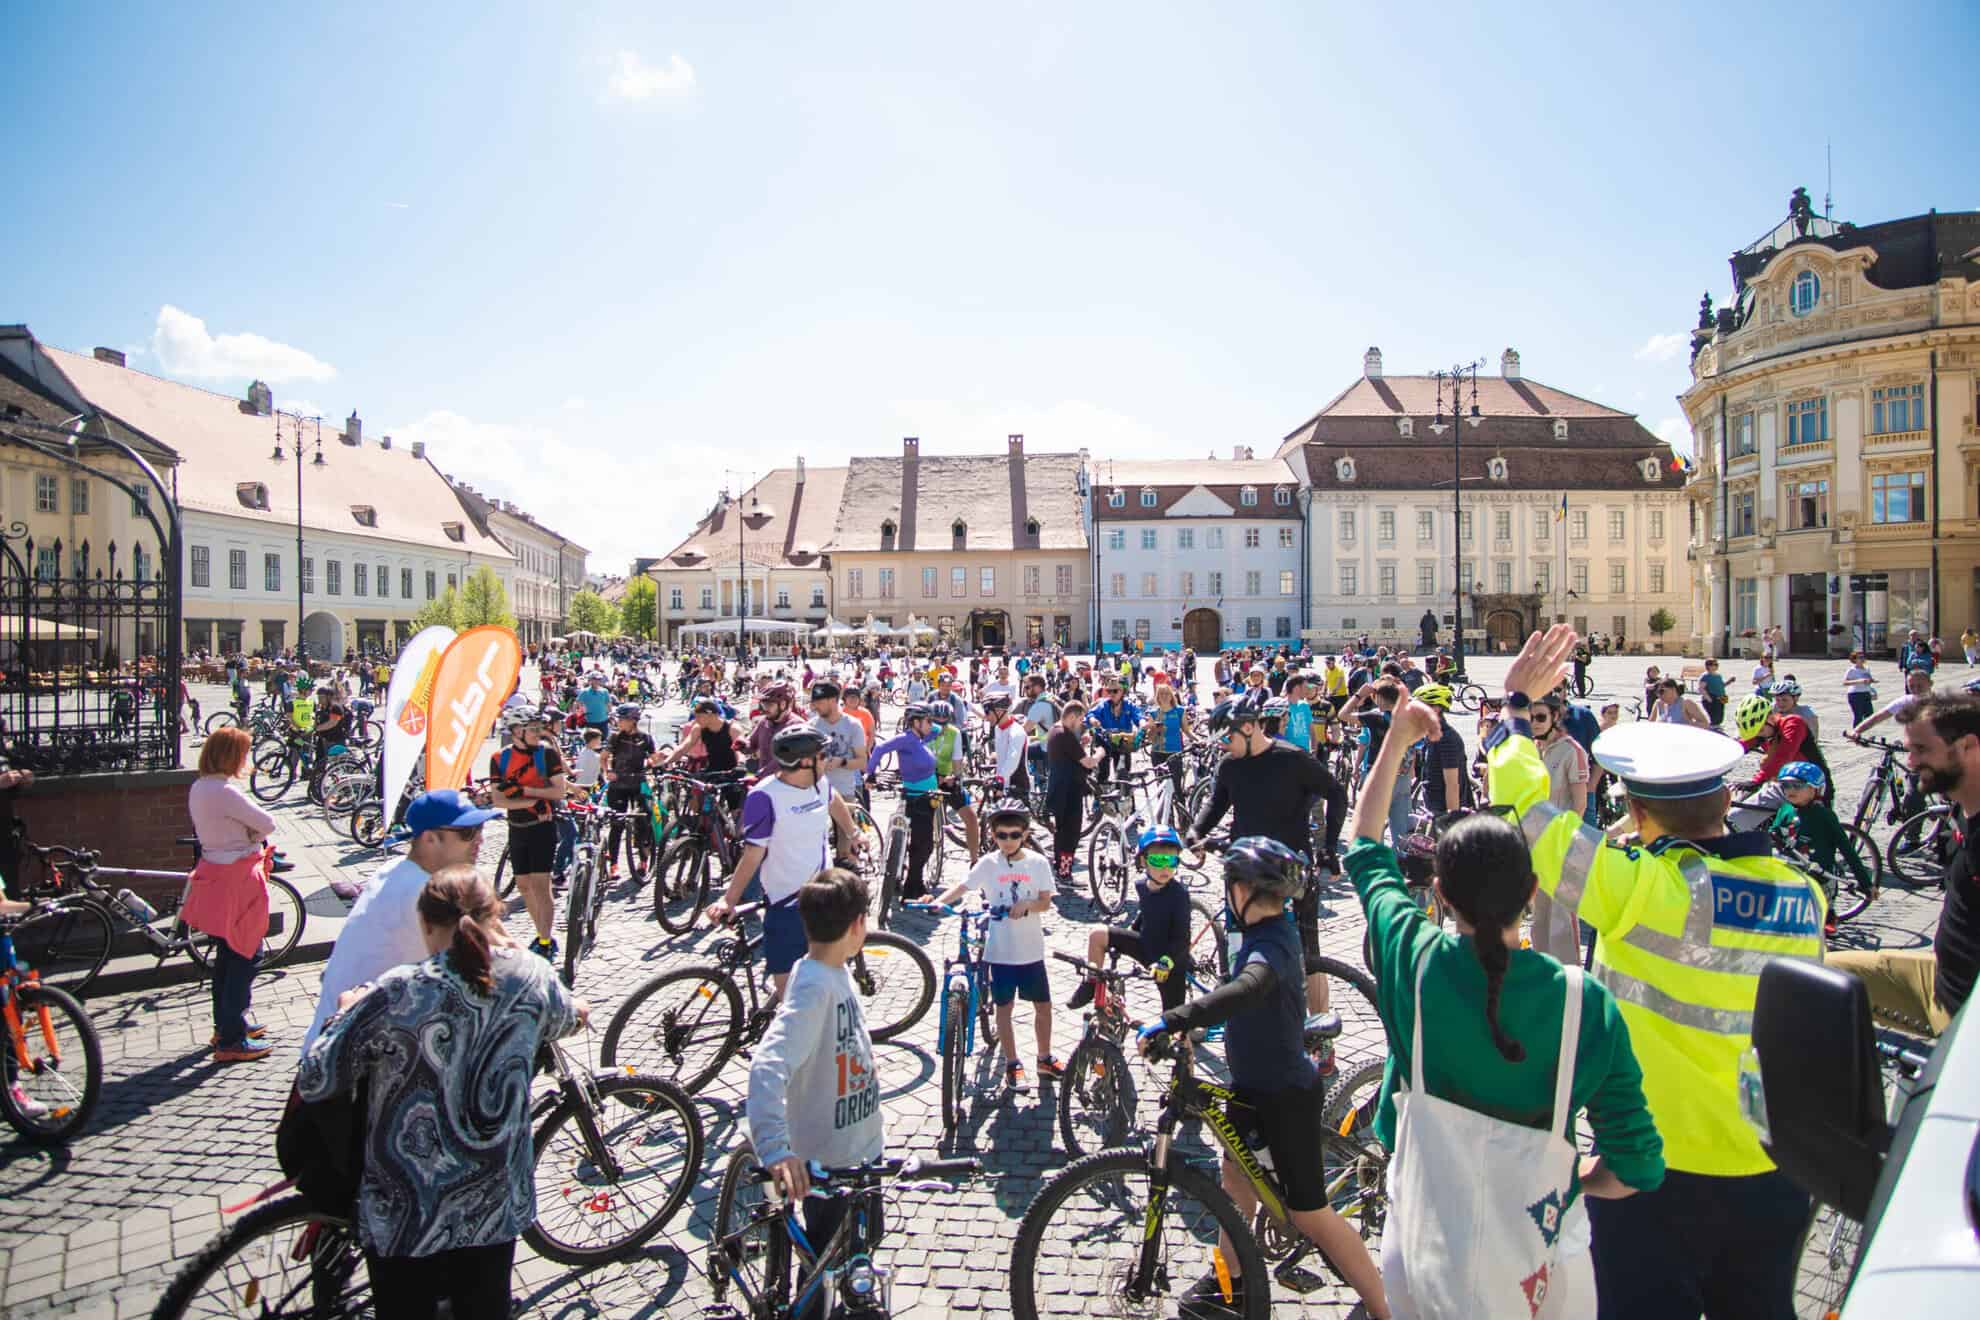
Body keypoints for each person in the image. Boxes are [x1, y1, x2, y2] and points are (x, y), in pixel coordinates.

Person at [1488, 625, 1825, 1320]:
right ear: (1726, 802)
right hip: (1776, 1165)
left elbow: (1529, 810)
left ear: (1636, 814)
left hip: (1654, 1168)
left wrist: (1515, 710)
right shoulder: (1803, 893)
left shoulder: (1640, 891)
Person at [1346, 684, 1662, 1317]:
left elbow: (1365, 846)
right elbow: (1636, 1166)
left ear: (1438, 891)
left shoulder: (1416, 959)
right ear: (1534, 890)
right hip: (1535, 1266)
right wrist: (1568, 1188)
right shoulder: (1583, 1002)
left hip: (1429, 1244)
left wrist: (1399, 736)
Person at [299, 866, 585, 1320]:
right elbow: (567, 1017)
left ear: (426, 923)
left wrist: (344, 1013)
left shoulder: (397, 992)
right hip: (492, 1198)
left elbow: (317, 1076)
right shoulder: (531, 974)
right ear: (495, 916)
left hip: (407, 1203)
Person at [1134, 838, 1391, 1317]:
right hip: (1250, 1082)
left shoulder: (1271, 942)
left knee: (1309, 1213)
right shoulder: (1258, 932)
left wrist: (1175, 1019)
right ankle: (1230, 1283)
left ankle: (1384, 1307)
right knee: (1236, 1179)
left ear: (1242, 891)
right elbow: (1234, 996)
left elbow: (1249, 986)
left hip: (1286, 1094)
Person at [745, 867, 884, 1320]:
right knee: (821, 1279)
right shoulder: (812, 991)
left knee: (859, 1251)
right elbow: (767, 1064)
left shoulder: (831, 970)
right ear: (858, 924)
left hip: (863, 1157)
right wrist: (774, 1148)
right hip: (827, 1167)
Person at [1187, 695, 1348, 1031]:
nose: (1224, 748)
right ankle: (1241, 1022)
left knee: (1309, 956)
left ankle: (1321, 1036)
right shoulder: (1230, 765)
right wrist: (1195, 832)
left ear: (1248, 728)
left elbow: (1336, 792)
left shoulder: (1293, 760)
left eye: (1227, 739)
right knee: (1241, 947)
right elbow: (1216, 804)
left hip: (1291, 872)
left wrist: (1329, 848)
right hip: (1245, 872)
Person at [1829, 690, 1980, 1036]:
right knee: (1804, 974)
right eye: (1909, 750)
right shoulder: (1958, 805)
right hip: (1940, 974)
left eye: (1922, 750)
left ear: (1969, 747)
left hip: (1962, 1012)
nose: (1910, 763)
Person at [302, 788, 501, 1052]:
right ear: (430, 839)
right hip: (353, 1061)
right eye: (468, 832)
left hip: (346, 1040)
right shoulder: (424, 893)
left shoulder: (395, 868)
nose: (480, 840)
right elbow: (492, 956)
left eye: (481, 828)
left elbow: (493, 933)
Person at [707, 726, 864, 998]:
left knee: (828, 974)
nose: (827, 759)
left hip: (822, 895)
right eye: (822, 754)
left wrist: (852, 833)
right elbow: (753, 854)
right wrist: (729, 900)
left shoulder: (818, 781)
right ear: (804, 762)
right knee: (789, 997)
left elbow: (833, 800)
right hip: (787, 903)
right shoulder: (765, 796)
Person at [921, 798, 1061, 1091]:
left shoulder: (1037, 863)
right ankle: (1012, 1063)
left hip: (1031, 951)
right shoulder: (989, 863)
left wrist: (1028, 904)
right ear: (992, 835)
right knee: (1004, 1009)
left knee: (1043, 1007)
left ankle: (1044, 1057)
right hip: (1000, 952)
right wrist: (937, 901)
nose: (1007, 842)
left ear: (1025, 835)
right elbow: (963, 886)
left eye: (1014, 835)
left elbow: (1046, 903)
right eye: (1001, 836)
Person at [181, 727, 279, 1062]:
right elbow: (267, 822)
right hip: (238, 876)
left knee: (226, 953)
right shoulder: (225, 792)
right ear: (231, 756)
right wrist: (251, 830)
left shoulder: (199, 787)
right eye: (243, 752)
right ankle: (232, 1038)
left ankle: (225, 1025)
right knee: (245, 955)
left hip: (215, 871)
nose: (246, 759)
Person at [1067, 825, 1191, 1014]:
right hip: (1145, 944)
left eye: (1171, 861)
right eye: (1158, 861)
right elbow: (1147, 913)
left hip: (1169, 959)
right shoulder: (1142, 885)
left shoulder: (1179, 895)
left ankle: (1185, 1038)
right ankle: (1092, 983)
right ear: (1143, 861)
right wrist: (1132, 930)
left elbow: (1182, 939)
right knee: (1097, 935)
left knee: (1175, 1026)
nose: (1165, 868)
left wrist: (1166, 961)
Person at [487, 708, 569, 962]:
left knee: (540, 885)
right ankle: (540, 932)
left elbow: (559, 791)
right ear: (516, 731)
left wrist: (522, 790)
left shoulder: (547, 754)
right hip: (517, 828)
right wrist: (531, 802)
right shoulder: (499, 758)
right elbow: (499, 799)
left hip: (543, 828)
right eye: (532, 729)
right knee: (523, 885)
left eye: (538, 728)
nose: (538, 733)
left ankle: (545, 940)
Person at [1765, 762, 1873, 938]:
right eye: (1785, 785)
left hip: (1820, 872)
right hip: (1792, 869)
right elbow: (1774, 831)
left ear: (1814, 789)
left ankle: (1827, 921)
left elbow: (1847, 849)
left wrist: (1865, 883)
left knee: (1822, 904)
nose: (1790, 790)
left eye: (1797, 786)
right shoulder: (1785, 809)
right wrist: (1773, 836)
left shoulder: (1824, 816)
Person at [1529, 695, 1590, 964]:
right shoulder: (1530, 749)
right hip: (1533, 843)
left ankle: (1569, 977)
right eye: (1530, 718)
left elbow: (1580, 805)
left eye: (1540, 717)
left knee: (1562, 917)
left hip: (1560, 845)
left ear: (1555, 717)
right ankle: (1543, 971)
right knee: (1538, 913)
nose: (1535, 723)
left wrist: (1565, 841)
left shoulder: (1571, 751)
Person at [602, 704, 660, 879]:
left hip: (638, 782)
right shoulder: (615, 738)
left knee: (644, 820)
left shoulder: (646, 738)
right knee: (616, 824)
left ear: (632, 721)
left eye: (621, 719)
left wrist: (654, 761)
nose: (618, 722)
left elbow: (653, 758)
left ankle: (644, 859)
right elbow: (604, 757)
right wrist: (607, 772)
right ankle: (613, 864)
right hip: (618, 784)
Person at [1044, 700, 1101, 880]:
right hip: (1069, 792)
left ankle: (1059, 868)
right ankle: (1065, 873)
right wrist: (1100, 753)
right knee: (1070, 836)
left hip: (1059, 789)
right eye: (1080, 719)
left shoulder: (1055, 729)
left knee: (1061, 834)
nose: (1081, 723)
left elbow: (1071, 754)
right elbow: (1088, 762)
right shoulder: (1065, 735)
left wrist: (1081, 744)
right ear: (1071, 716)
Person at [1412, 683, 1473, 815]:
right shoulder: (1430, 734)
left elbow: (1452, 784)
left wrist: (1451, 819)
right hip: (1433, 809)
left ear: (1435, 709)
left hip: (1443, 812)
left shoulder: (1447, 739)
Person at [1847, 665, 1932, 740]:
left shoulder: (1940, 703)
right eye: (1911, 686)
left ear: (1930, 684)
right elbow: (1877, 717)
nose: (1916, 689)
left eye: (1920, 686)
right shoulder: (1906, 701)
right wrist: (1856, 731)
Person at [744, 683, 804, 775]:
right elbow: (751, 743)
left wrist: (761, 774)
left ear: (783, 704)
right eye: (763, 705)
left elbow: (784, 759)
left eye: (769, 705)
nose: (764, 709)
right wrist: (743, 744)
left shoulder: (796, 726)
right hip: (763, 781)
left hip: (785, 785)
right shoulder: (765, 722)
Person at [1697, 658, 1730, 728]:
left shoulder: (1718, 675)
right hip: (1713, 698)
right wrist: (1709, 699)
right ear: (1708, 666)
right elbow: (1701, 688)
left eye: (1717, 664)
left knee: (1721, 715)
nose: (1717, 666)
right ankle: (1713, 728)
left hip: (1722, 697)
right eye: (1715, 664)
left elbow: (1722, 686)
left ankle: (1718, 726)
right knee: (1714, 716)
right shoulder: (1705, 676)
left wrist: (1729, 681)